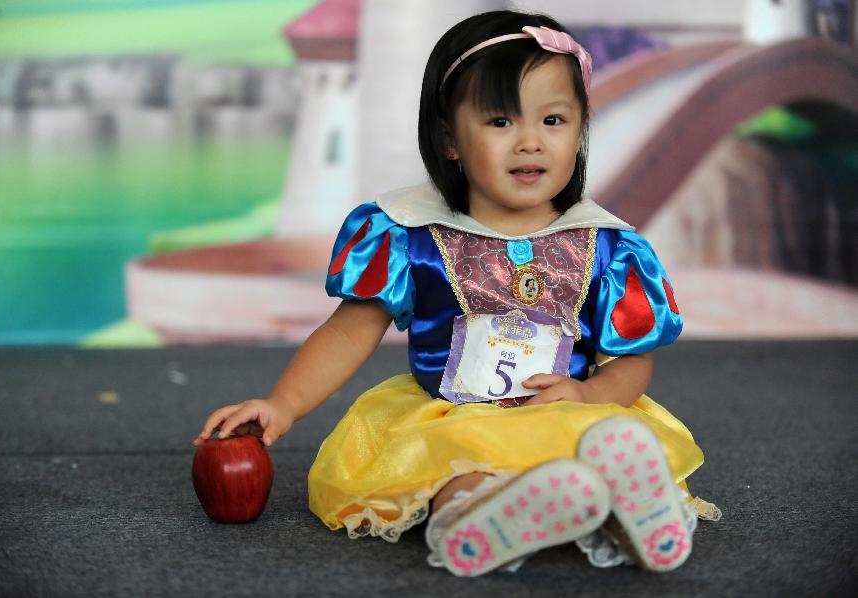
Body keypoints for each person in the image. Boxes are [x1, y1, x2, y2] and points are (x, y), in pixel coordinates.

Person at [194, 9, 720, 576]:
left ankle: (627, 511)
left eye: (553, 120)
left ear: (581, 129)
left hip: (566, 409)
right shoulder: (411, 233)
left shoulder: (609, 247)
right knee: (453, 470)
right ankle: (483, 518)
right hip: (454, 417)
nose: (530, 143)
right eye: (500, 123)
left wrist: (592, 396)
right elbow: (349, 331)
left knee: (601, 445)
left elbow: (630, 362)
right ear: (449, 139)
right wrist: (282, 404)